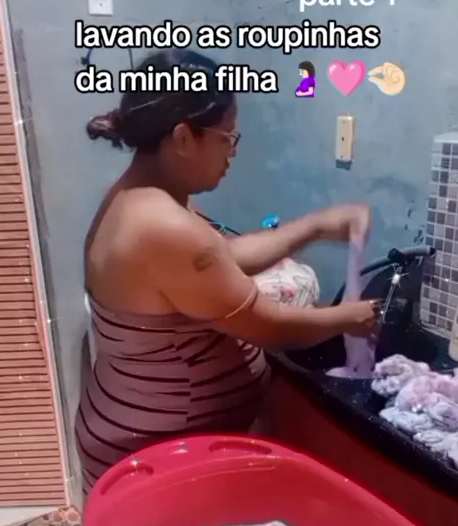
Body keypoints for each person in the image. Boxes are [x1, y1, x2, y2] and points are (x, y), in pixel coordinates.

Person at [76, 48, 380, 492]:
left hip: (138, 430)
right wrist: (353, 317)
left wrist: (316, 226)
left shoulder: (142, 197)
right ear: (184, 137)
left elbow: (223, 254)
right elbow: (271, 327)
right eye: (227, 137)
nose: (232, 153)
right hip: (151, 452)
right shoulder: (163, 226)